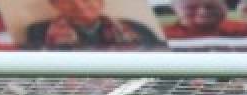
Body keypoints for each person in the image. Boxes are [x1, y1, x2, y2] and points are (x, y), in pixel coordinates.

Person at [24, 0, 166, 51]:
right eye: (67, 0)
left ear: (101, 1)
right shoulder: (39, 31)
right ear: (55, 5)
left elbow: (163, 60)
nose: (79, 5)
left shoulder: (135, 28)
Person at [163, 0, 247, 38]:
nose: (203, 12)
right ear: (175, 8)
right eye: (191, 7)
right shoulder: (166, 36)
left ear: (225, 7)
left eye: (211, 6)